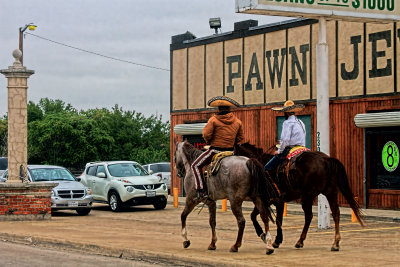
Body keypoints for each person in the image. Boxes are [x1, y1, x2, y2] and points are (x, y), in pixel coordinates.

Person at [191, 96, 244, 200]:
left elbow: (206, 134)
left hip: (215, 151)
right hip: (230, 152)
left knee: (195, 166)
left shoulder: (213, 120)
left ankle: (201, 190)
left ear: (218, 109)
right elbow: (240, 138)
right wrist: (231, 142)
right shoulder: (238, 122)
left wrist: (209, 142)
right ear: (229, 109)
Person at [264, 100, 306, 180]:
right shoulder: (300, 122)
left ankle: (275, 188)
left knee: (267, 168)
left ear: (286, 112)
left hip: (291, 149)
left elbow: (285, 140)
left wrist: (279, 151)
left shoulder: (287, 122)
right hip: (302, 148)